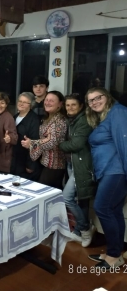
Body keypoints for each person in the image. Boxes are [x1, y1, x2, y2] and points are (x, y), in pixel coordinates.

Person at [85, 87, 127, 269]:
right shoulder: (106, 117)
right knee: (115, 211)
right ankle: (115, 252)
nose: (94, 102)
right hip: (107, 170)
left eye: (98, 97)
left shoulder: (118, 112)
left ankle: (113, 255)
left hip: (116, 170)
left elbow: (124, 143)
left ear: (106, 96)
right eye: (90, 100)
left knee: (101, 207)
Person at [58, 93, 96, 247]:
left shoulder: (84, 121)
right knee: (80, 198)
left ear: (81, 106)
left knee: (66, 197)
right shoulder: (71, 120)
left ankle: (86, 228)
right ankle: (80, 230)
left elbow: (76, 144)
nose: (70, 108)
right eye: (68, 105)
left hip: (82, 165)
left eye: (74, 105)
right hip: (71, 163)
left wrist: (58, 144)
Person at [21, 91, 67, 189]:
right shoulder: (47, 118)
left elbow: (52, 142)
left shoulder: (59, 120)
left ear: (60, 104)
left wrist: (31, 143)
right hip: (45, 163)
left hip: (55, 166)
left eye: (51, 101)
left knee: (45, 192)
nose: (47, 102)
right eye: (46, 100)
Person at [10, 92, 41, 181]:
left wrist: (31, 164)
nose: (21, 104)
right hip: (15, 160)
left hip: (25, 163)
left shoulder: (34, 120)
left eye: (25, 102)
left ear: (31, 105)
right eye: (20, 101)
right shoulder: (14, 117)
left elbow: (35, 142)